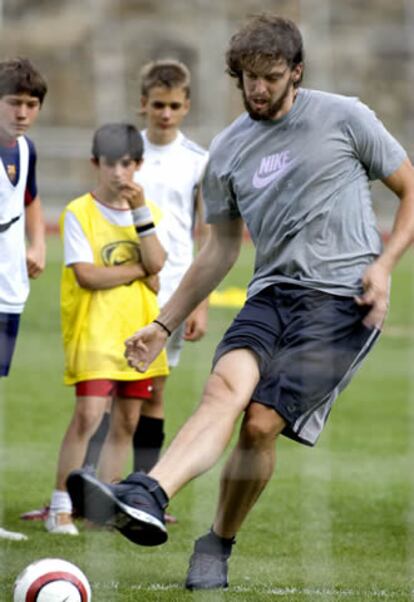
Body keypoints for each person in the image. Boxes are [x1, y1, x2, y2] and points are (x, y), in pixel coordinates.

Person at [67, 13, 414, 589]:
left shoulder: (346, 116)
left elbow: (410, 188)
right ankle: (148, 492)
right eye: (247, 77)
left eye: (271, 76)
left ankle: (217, 542)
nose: (258, 88)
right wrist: (162, 323)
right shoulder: (227, 151)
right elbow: (219, 249)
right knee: (222, 391)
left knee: (259, 425)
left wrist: (384, 265)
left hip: (343, 300)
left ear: (296, 73)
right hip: (271, 293)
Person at [83, 60, 209, 497]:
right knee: (102, 392)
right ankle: (87, 488)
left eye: (175, 105)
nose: (166, 113)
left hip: (173, 291)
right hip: (120, 283)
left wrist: (200, 301)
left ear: (186, 106)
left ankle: (141, 491)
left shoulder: (198, 161)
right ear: (143, 104)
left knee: (150, 394)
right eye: (158, 104)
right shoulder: (126, 156)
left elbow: (204, 231)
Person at [45, 123, 168, 535]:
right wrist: (137, 270)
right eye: (112, 164)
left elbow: (159, 263)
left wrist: (140, 216)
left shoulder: (148, 211)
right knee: (89, 415)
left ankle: (107, 504)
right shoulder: (79, 211)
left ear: (139, 165)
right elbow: (87, 276)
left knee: (128, 422)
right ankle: (60, 505)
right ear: (96, 164)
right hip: (94, 331)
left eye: (128, 164)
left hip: (140, 332)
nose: (120, 173)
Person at [0, 57, 47, 541]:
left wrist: (38, 243)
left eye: (31, 104)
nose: (22, 112)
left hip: (9, 284)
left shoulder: (27, 149)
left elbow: (30, 199)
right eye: (14, 102)